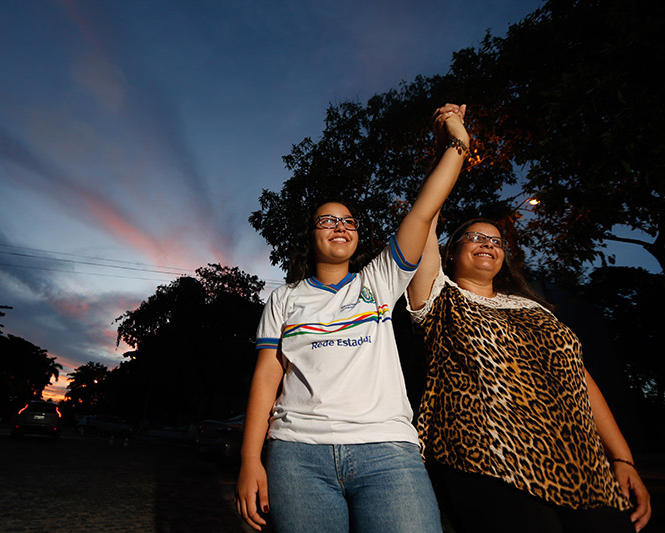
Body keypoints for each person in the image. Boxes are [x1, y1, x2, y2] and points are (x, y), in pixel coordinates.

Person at [235, 103, 470, 533]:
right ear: (309, 235)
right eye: (327, 220)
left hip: (387, 454)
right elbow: (267, 377)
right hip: (297, 456)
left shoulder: (380, 280)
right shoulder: (284, 299)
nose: (340, 226)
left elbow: (423, 210)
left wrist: (454, 143)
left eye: (348, 221)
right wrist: (251, 460)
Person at [405, 217, 652, 533]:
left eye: (496, 242)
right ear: (451, 252)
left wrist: (622, 458)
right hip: (490, 459)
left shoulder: (533, 309)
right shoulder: (440, 297)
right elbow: (423, 219)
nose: (488, 245)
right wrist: (446, 167)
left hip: (580, 463)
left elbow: (578, 378)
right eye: (475, 237)